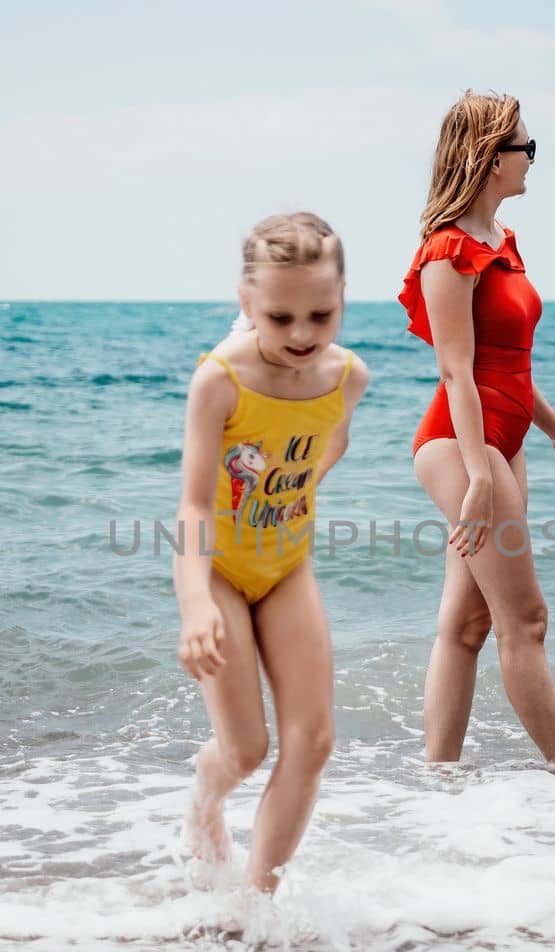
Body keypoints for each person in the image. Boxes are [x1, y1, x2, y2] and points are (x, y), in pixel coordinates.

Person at [174, 211, 370, 893]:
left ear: (343, 297)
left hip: (287, 568)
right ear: (247, 302)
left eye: (321, 314)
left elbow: (327, 446)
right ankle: (205, 799)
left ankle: (256, 907)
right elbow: (195, 503)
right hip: (221, 572)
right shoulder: (219, 380)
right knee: (247, 749)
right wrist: (197, 604)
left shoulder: (348, 378)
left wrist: (293, 492)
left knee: (313, 743)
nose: (302, 335)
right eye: (280, 318)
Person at [399, 91, 555, 764]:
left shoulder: (501, 243)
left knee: (467, 622)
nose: (532, 158)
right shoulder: (446, 253)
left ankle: (436, 776)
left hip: (501, 441)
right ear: (489, 159)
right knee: (527, 620)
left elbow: (507, 368)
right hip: (460, 445)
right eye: (525, 147)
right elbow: (457, 373)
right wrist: (479, 473)